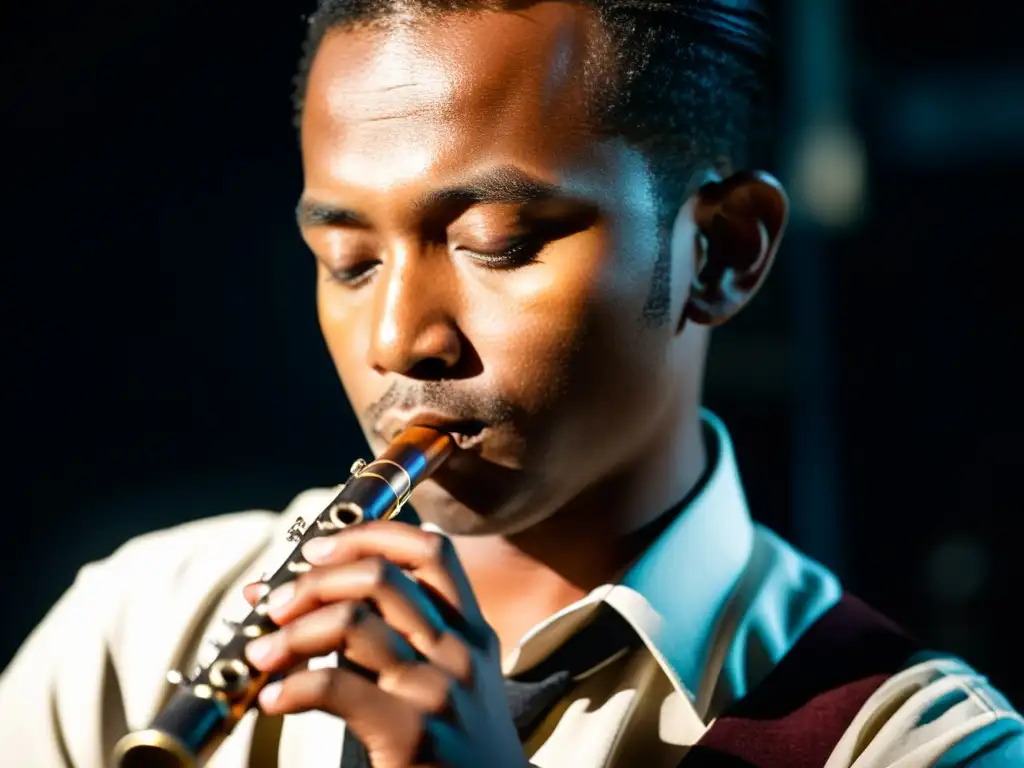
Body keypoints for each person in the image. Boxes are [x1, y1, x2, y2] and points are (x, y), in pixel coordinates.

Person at [2, 0, 1021, 766]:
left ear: (722, 251)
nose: (401, 339)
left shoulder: (912, 742)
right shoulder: (136, 627)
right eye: (350, 262)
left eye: (499, 244)